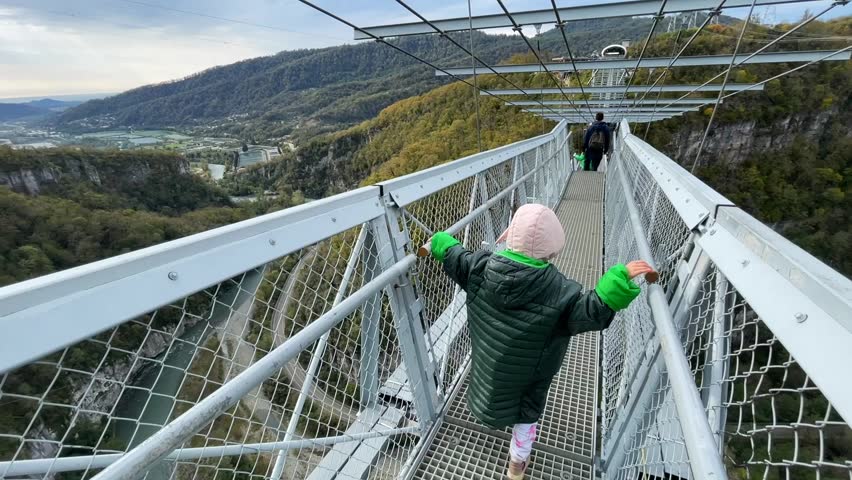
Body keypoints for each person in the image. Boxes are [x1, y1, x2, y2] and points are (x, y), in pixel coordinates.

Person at [428, 203, 654, 480]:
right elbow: (592, 311)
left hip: (487, 368)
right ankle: (515, 467)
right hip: (528, 382)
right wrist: (617, 280)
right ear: (553, 249)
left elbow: (454, 255)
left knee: (491, 388)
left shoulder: (478, 267)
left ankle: (491, 421)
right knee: (526, 417)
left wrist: (437, 241)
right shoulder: (561, 294)